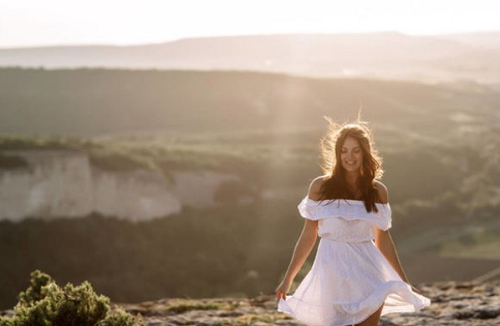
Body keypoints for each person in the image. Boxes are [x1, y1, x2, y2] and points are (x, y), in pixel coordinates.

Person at [275, 116, 431, 326]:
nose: (350, 156)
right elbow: (308, 235)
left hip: (368, 275)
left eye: (356, 150)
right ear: (337, 153)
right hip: (330, 275)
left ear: (365, 153)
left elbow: (383, 239)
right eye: (344, 150)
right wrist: (288, 279)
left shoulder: (378, 191)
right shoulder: (320, 187)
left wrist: (404, 282)